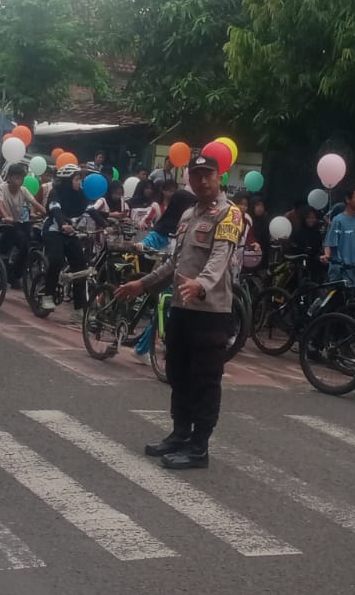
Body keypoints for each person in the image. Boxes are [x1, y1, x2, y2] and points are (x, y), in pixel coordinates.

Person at [114, 153, 243, 469]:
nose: (202, 181)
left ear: (219, 177)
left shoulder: (230, 214)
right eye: (196, 175)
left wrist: (201, 284)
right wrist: (142, 284)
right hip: (182, 308)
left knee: (205, 378)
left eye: (207, 175)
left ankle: (199, 447)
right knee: (178, 373)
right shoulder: (188, 215)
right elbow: (175, 263)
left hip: (210, 312)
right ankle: (180, 433)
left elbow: (220, 258)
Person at [40, 163, 94, 317]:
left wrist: (107, 223)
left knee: (81, 269)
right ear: (67, 180)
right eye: (77, 179)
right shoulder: (55, 193)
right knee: (56, 260)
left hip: (70, 234)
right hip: (53, 231)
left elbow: (91, 210)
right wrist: (64, 224)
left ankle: (79, 310)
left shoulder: (81, 194)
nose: (79, 182)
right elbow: (55, 210)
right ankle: (47, 296)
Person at [321, 188, 355, 286]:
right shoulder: (338, 220)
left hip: (354, 269)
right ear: (348, 199)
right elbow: (329, 243)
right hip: (340, 269)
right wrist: (327, 255)